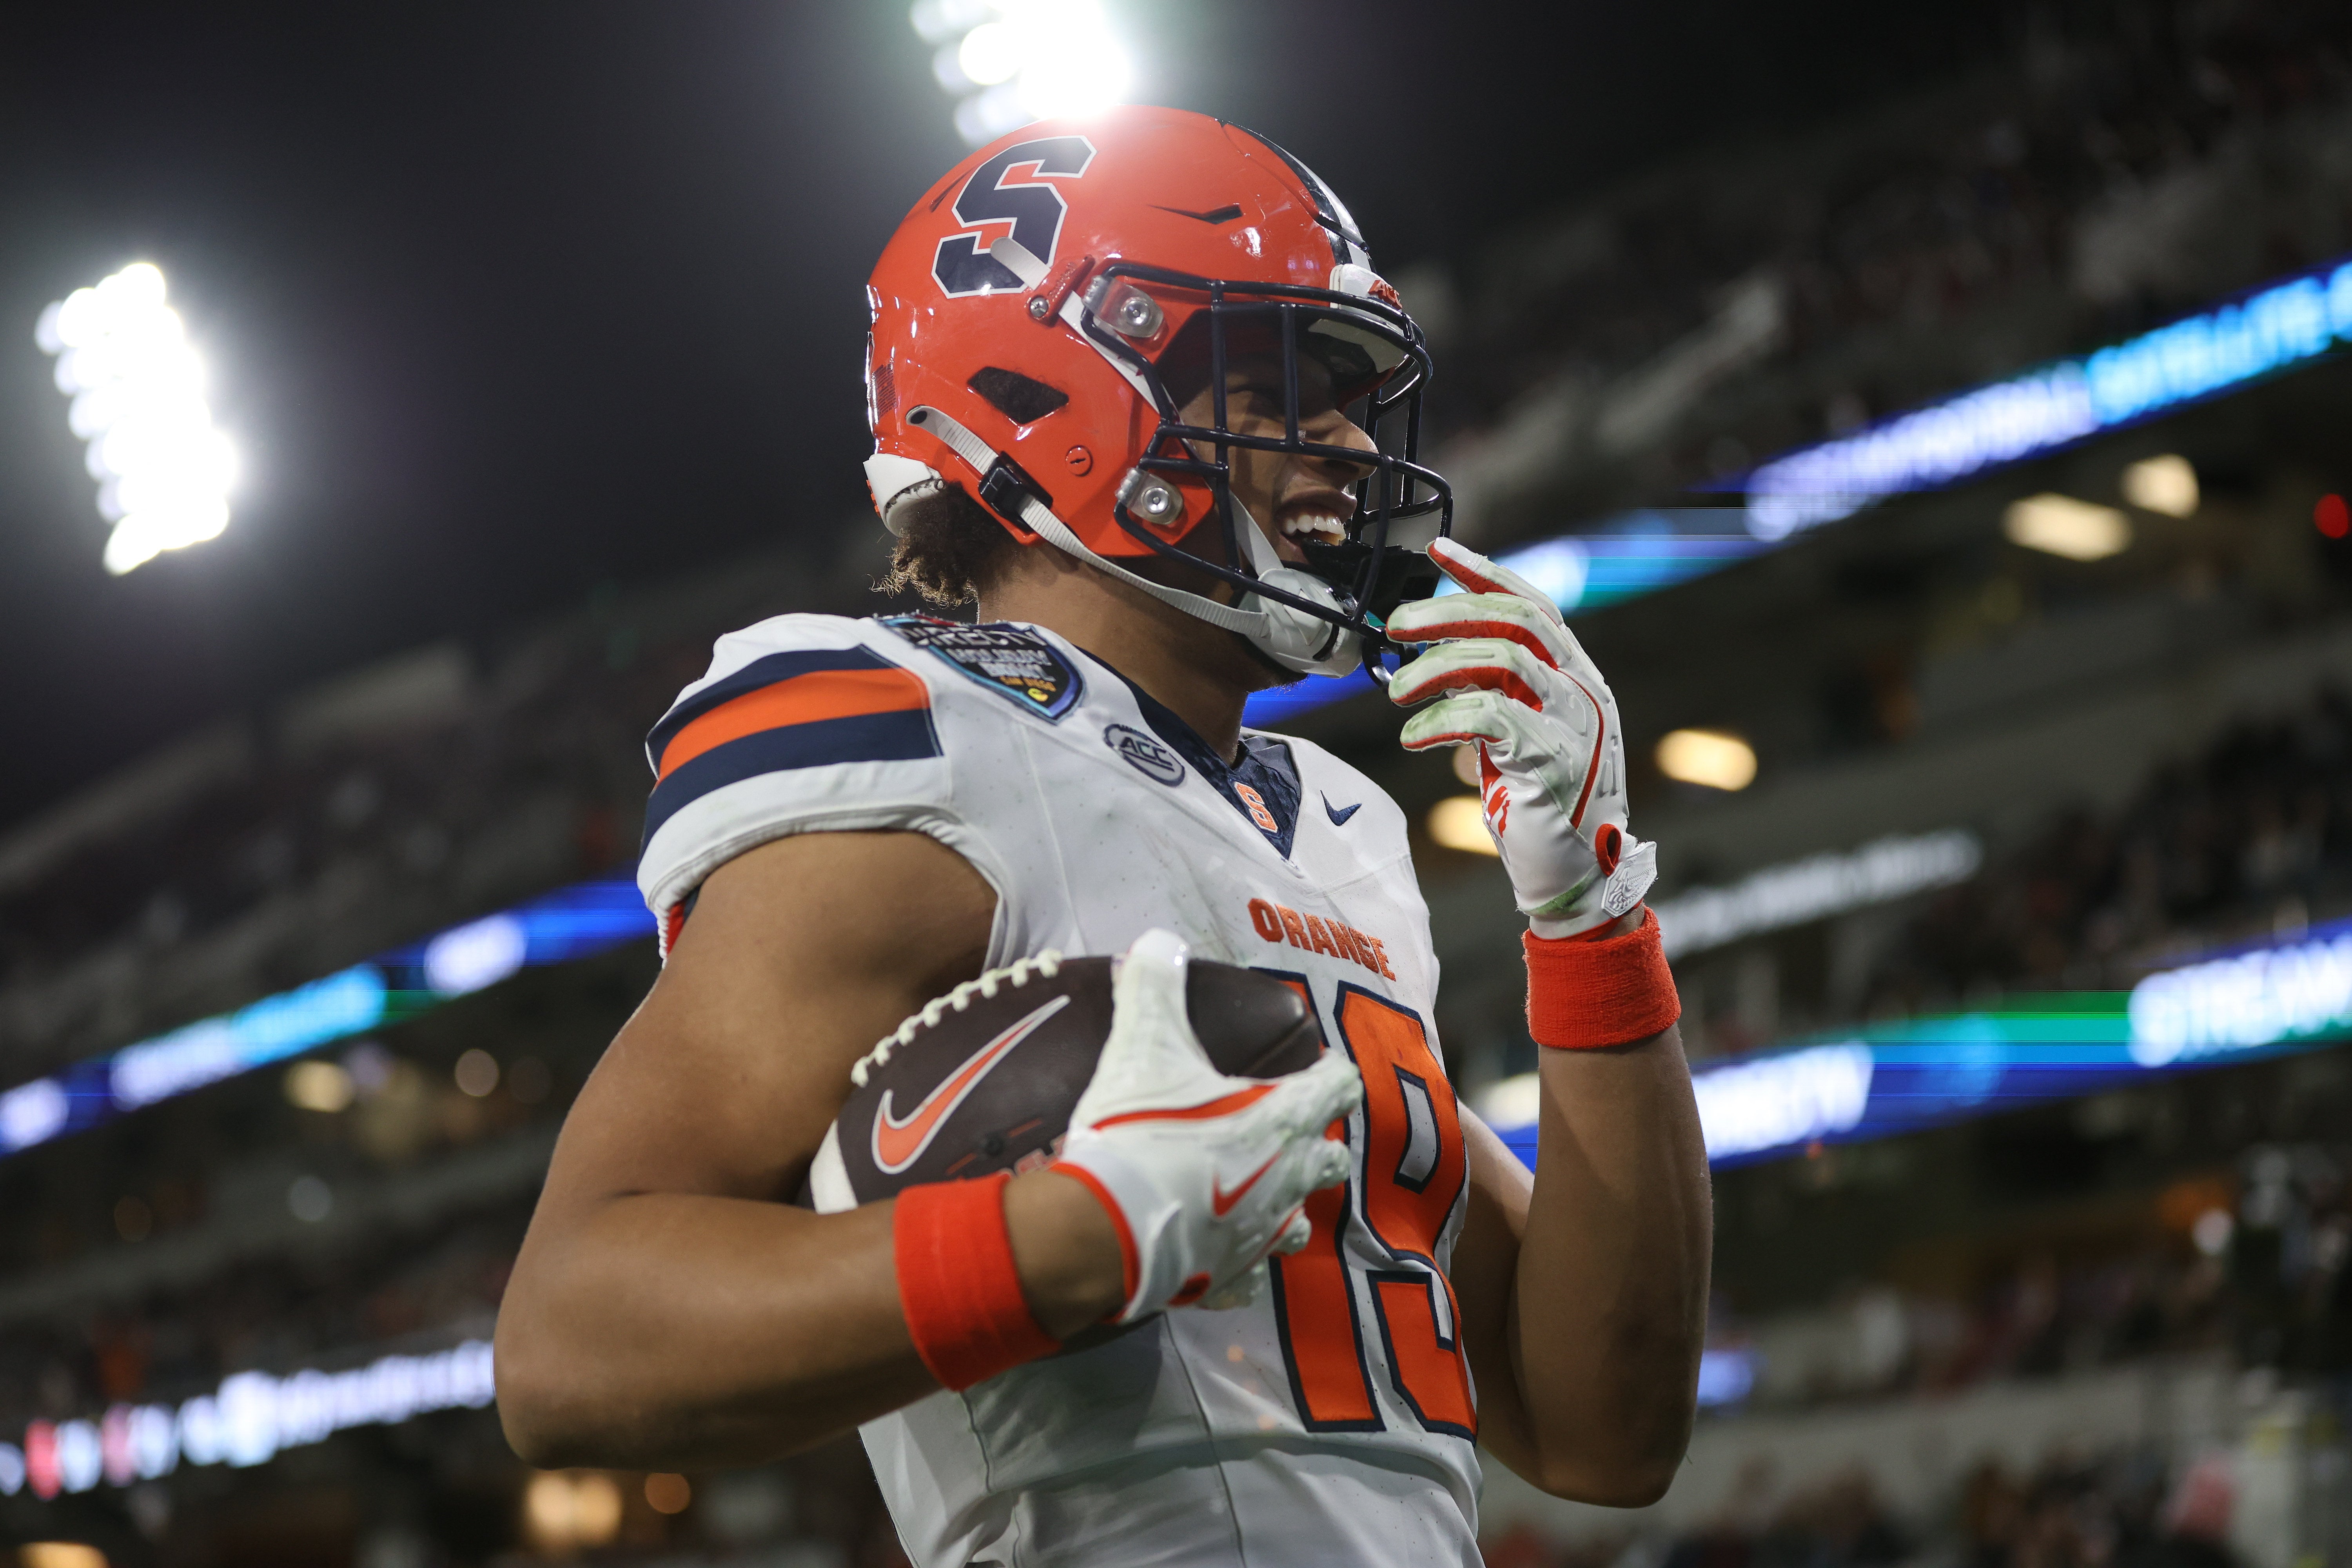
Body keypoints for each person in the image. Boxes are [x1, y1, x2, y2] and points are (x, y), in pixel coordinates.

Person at [496, 105, 1711, 1566]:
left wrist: (1591, 919)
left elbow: (1607, 1429)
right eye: (1278, 383)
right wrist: (1063, 1242)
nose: (1341, 445)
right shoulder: (928, 735)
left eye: (1345, 396)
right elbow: (568, 1343)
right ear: (1061, 392)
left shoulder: (1336, 825)